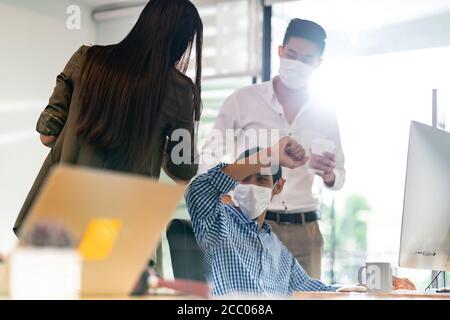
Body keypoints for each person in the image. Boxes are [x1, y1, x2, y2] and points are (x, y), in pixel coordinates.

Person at [14, 0, 203, 235]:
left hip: (58, 214)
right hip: (119, 226)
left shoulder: (85, 59)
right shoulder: (180, 90)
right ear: (182, 42)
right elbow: (182, 169)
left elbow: (46, 136)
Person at [199, 19, 343, 279]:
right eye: (292, 55)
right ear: (280, 51)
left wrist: (330, 175)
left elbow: (340, 174)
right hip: (252, 224)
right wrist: (225, 199)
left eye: (307, 59)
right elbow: (208, 157)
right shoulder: (243, 100)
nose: (297, 64)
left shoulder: (325, 113)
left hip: (305, 231)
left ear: (318, 64)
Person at [187, 137, 415, 296]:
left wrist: (368, 287)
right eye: (244, 178)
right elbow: (198, 189)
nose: (250, 186)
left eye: (261, 179)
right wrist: (271, 154)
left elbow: (313, 289)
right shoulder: (216, 222)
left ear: (277, 187)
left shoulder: (275, 248)